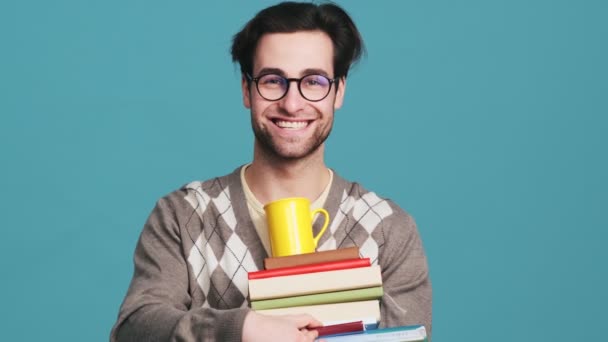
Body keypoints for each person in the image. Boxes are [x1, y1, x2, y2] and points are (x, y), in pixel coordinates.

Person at [110, 2, 432, 341]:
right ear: (247, 90)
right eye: (273, 80)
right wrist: (242, 328)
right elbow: (134, 329)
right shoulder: (183, 216)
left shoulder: (387, 229)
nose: (292, 103)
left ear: (339, 91)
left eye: (314, 81)